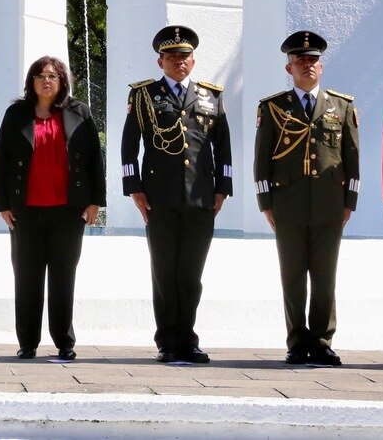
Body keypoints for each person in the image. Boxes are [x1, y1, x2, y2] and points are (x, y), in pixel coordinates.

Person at [121, 25, 232, 364]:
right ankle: (168, 341)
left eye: (184, 57)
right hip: (160, 197)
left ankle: (188, 338)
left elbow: (223, 146)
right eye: (172, 57)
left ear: (193, 62)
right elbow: (129, 145)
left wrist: (222, 189)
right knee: (165, 271)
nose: (179, 62)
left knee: (191, 274)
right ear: (161, 61)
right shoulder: (143, 95)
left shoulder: (210, 96)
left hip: (200, 198)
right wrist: (134, 187)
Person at [255, 30, 359, 366]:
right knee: (293, 276)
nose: (307, 65)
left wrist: (350, 201)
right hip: (288, 205)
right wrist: (266, 203)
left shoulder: (341, 106)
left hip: (330, 205)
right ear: (289, 69)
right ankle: (297, 342)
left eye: (312, 60)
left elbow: (351, 157)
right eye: (300, 60)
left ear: (321, 66)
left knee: (325, 276)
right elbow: (262, 160)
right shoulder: (273, 107)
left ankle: (323, 341)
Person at [0, 56, 104, 361]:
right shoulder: (17, 114)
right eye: (40, 75)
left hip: (69, 211)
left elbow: (95, 157)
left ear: (61, 81)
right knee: (27, 278)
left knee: (63, 277)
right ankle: (27, 343)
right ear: (31, 82)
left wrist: (95, 201)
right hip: (25, 210)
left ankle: (64, 342)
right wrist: (2, 203)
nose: (46, 80)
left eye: (53, 75)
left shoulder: (78, 111)